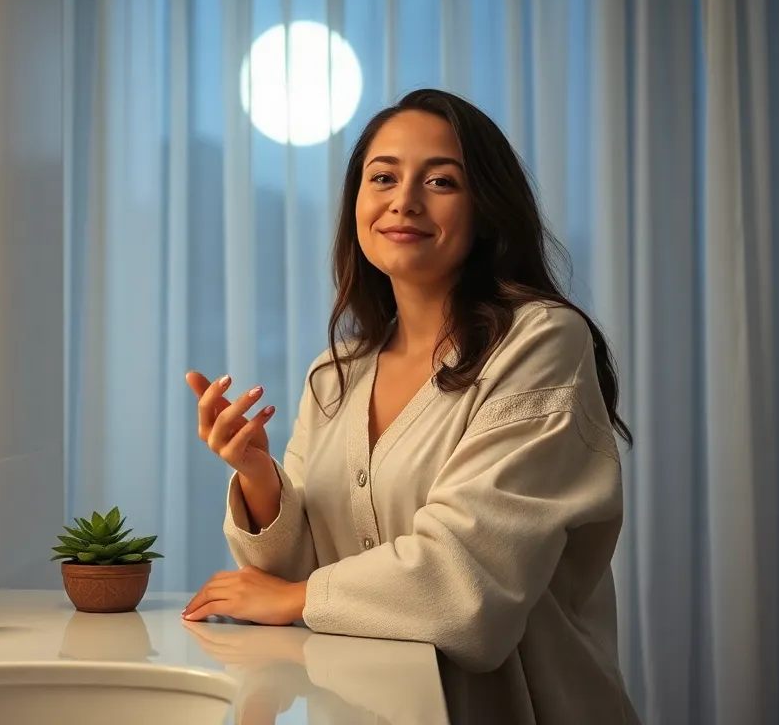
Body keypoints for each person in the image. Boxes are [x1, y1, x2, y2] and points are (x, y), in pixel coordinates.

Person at [182, 88, 640, 724]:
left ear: (486, 208)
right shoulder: (335, 375)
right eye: (384, 177)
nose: (405, 200)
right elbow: (301, 579)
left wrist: (294, 596)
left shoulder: (540, 341)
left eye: (442, 181)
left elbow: (469, 586)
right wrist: (261, 478)